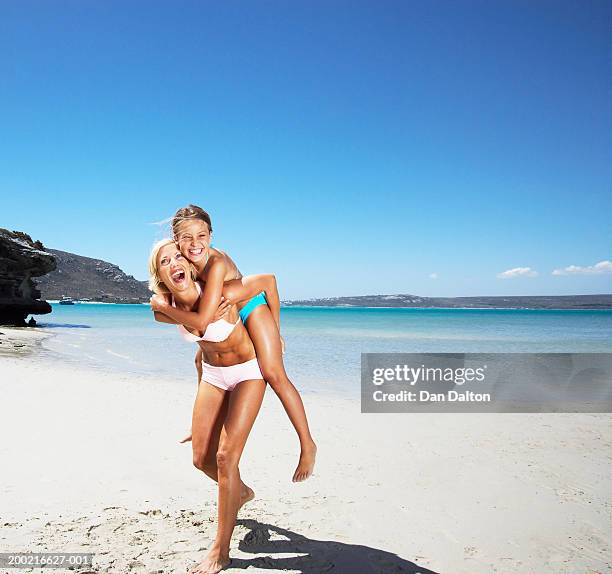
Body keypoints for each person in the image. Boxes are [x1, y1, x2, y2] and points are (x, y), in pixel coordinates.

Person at [150, 204, 316, 482]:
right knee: (200, 359)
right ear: (177, 239)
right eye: (186, 238)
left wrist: (276, 330)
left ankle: (307, 444)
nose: (194, 244)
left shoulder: (216, 266)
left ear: (211, 235)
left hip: (251, 306)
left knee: (274, 373)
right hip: (228, 315)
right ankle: (202, 425)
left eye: (201, 236)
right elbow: (191, 316)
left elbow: (268, 282)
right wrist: (160, 306)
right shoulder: (187, 263)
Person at [149, 238, 265, 574]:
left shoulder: (213, 290)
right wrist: (202, 415)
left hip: (249, 372)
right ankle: (240, 492)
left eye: (177, 256)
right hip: (213, 373)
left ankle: (221, 551)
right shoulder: (162, 309)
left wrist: (274, 334)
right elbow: (202, 346)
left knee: (225, 458)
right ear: (159, 274)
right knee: (201, 459)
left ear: (188, 263)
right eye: (165, 261)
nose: (174, 263)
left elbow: (203, 321)